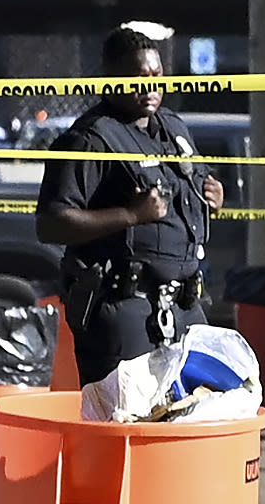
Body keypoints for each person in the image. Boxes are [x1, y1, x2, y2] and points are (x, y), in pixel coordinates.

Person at [34, 27, 224, 380]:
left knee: (191, 416)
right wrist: (129, 215)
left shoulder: (172, 128)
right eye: (137, 77)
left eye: (156, 76)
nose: (149, 86)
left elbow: (196, 181)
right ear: (111, 80)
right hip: (125, 307)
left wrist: (213, 195)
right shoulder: (90, 139)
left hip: (184, 305)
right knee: (127, 422)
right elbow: (50, 223)